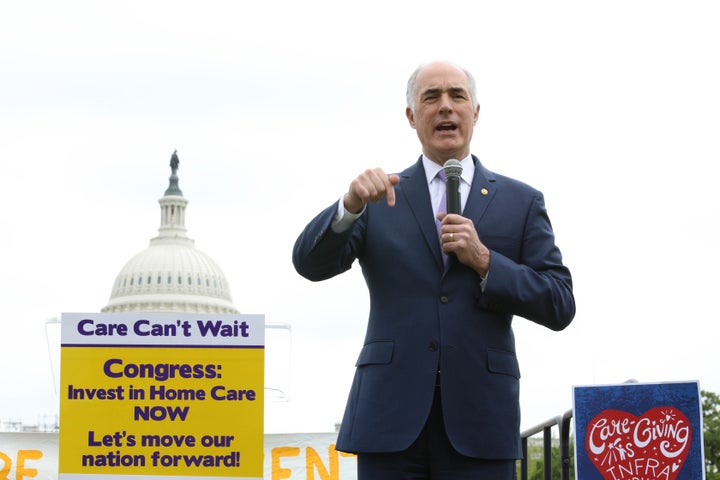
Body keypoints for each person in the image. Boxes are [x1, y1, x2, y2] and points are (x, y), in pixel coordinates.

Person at [292, 60, 575, 480]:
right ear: (411, 116)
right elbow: (308, 264)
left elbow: (559, 302)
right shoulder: (378, 196)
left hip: (481, 423)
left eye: (457, 96)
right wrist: (348, 207)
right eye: (431, 97)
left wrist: (485, 261)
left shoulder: (521, 201)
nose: (445, 107)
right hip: (389, 423)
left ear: (475, 112)